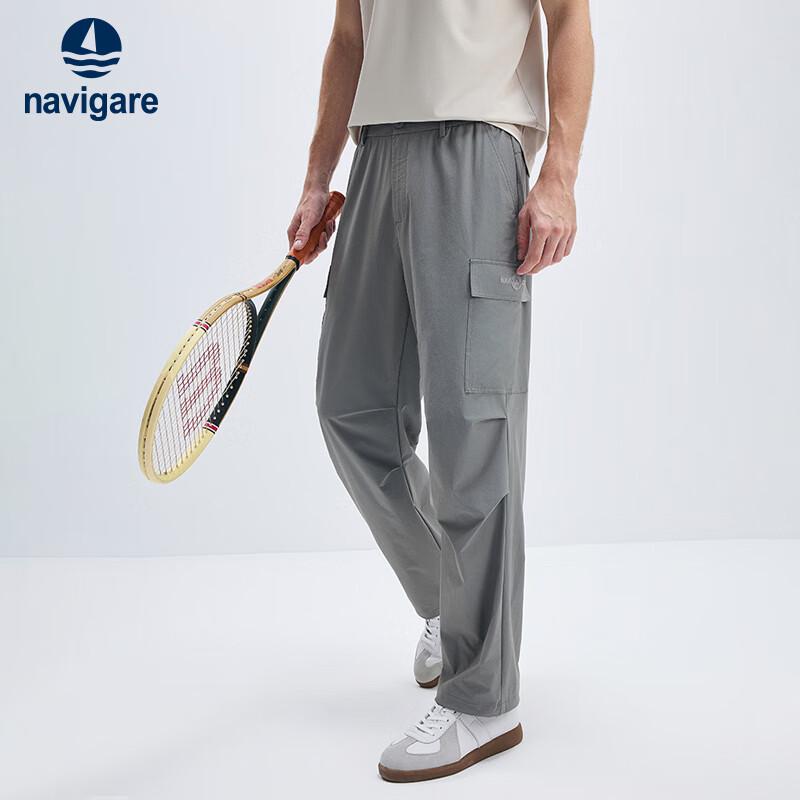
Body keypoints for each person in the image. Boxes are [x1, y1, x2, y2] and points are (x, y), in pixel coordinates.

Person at [288, 0, 594, 782]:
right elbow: (349, 38)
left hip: (476, 147)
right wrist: (318, 178)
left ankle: (485, 699)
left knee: (472, 432)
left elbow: (568, 18)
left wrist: (559, 176)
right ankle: (449, 607)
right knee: (351, 409)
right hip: (376, 155)